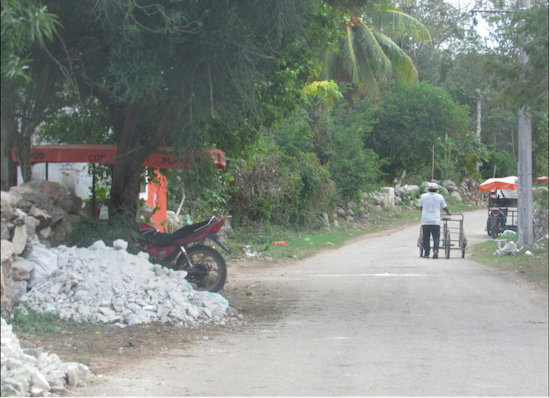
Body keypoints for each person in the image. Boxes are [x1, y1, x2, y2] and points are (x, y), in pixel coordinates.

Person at [419, 182, 451, 259]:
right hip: (435, 221)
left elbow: (421, 207)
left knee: (426, 237)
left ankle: (426, 253)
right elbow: (444, 207)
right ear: (437, 190)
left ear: (428, 189)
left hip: (426, 221)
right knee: (436, 237)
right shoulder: (440, 197)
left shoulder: (423, 196)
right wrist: (448, 212)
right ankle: (435, 250)